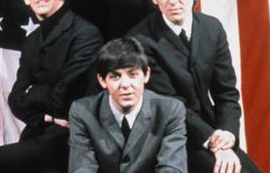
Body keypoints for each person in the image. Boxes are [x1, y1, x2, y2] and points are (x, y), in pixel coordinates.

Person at [0, 0, 103, 173]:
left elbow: (64, 97)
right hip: (40, 131)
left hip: (70, 138)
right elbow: (16, 99)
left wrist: (34, 93)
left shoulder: (85, 34)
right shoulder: (32, 41)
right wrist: (46, 116)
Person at [127, 0, 261, 173]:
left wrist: (227, 134)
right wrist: (213, 143)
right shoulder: (140, 40)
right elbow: (171, 105)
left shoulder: (212, 28)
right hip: (166, 135)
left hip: (211, 131)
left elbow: (226, 93)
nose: (172, 1)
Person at [68, 37, 187, 173]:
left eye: (132, 74)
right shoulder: (83, 112)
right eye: (115, 76)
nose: (125, 85)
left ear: (146, 75)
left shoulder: (170, 110)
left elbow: (172, 169)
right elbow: (82, 169)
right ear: (102, 80)